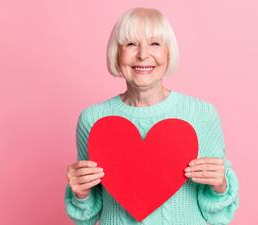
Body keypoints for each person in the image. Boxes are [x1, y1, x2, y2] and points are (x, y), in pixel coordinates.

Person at [64, 7, 239, 225]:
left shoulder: (201, 115)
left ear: (168, 52)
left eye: (155, 44)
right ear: (117, 53)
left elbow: (218, 215)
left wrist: (220, 186)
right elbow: (88, 215)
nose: (143, 54)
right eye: (131, 44)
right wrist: (81, 193)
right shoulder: (92, 119)